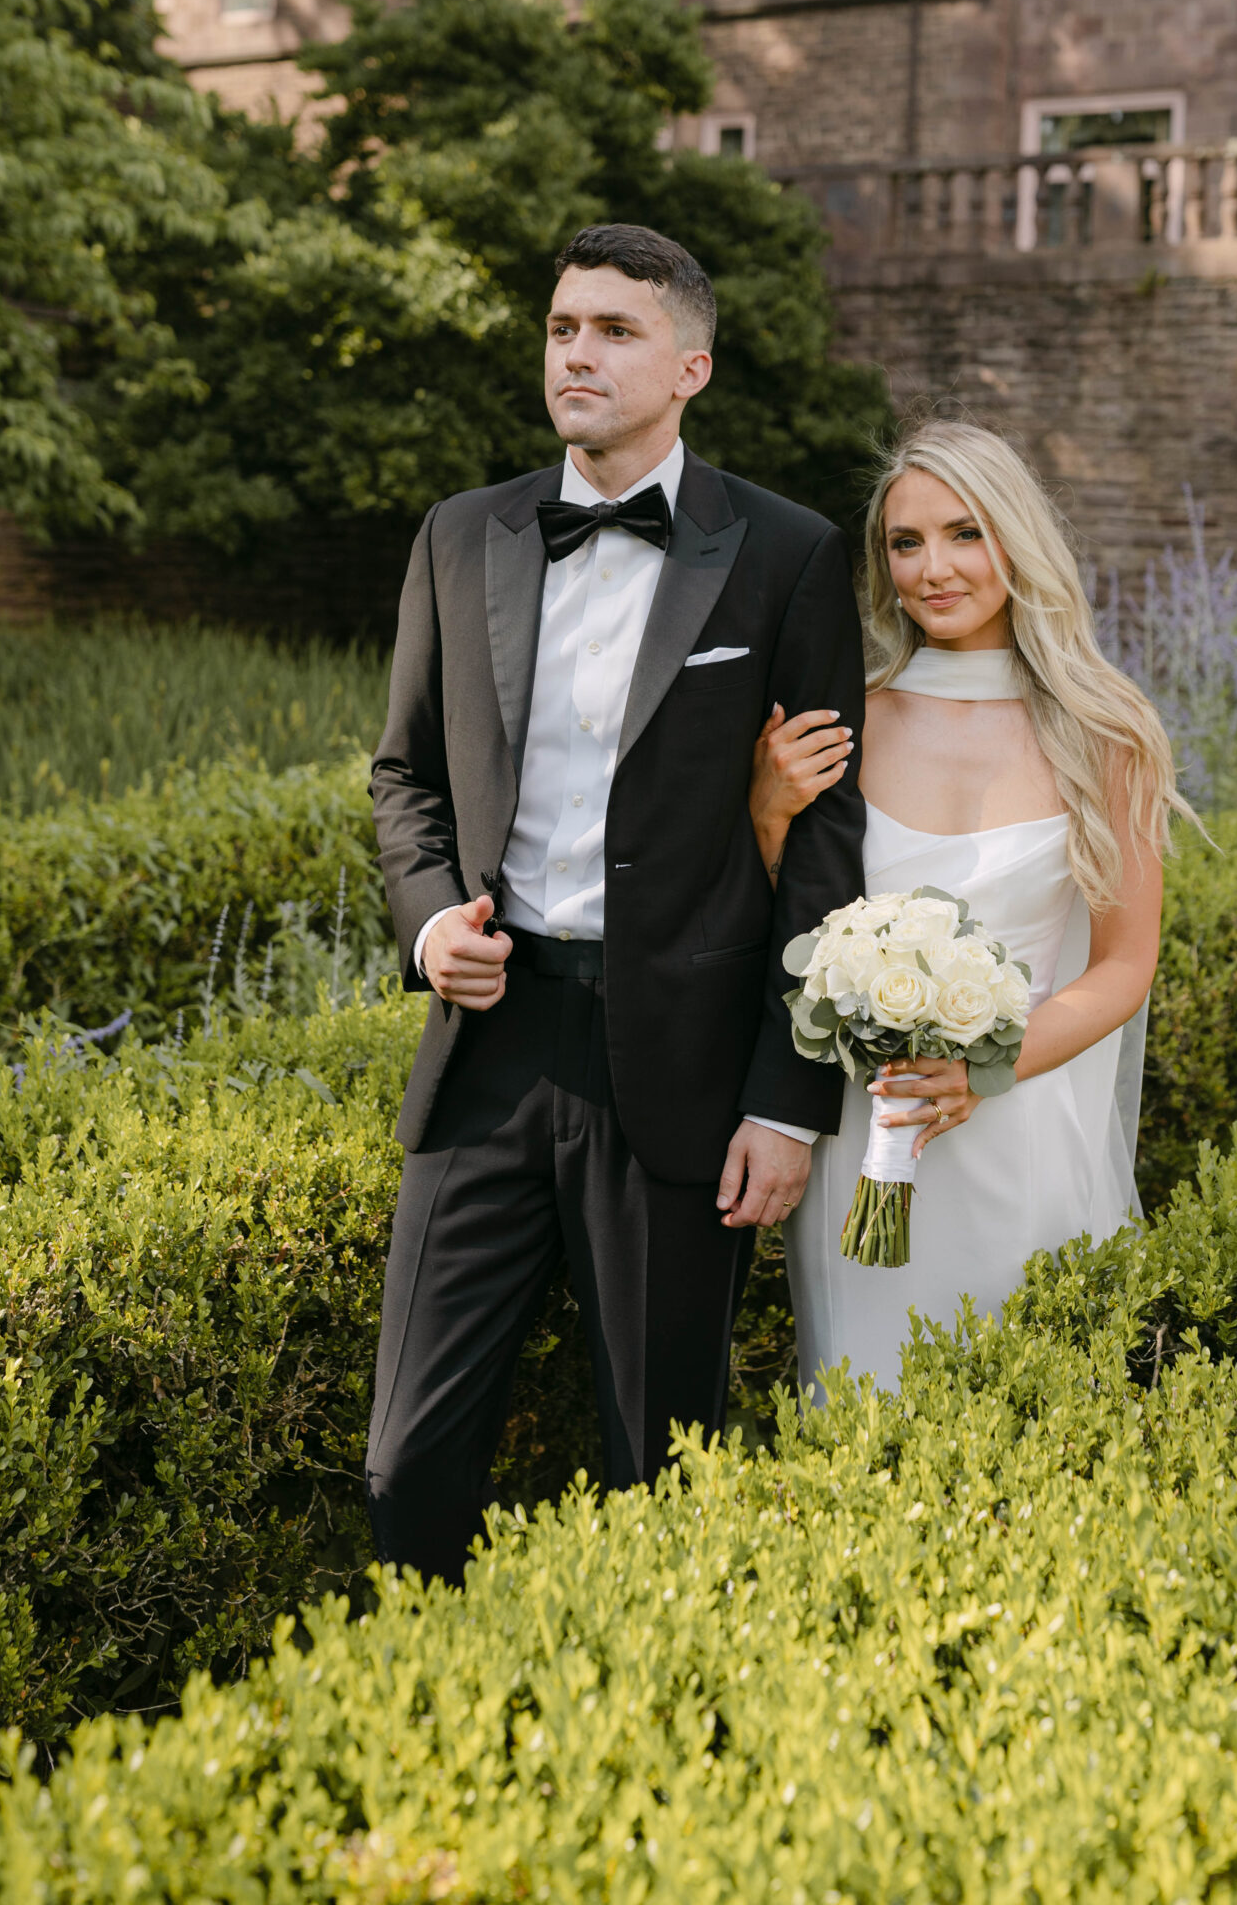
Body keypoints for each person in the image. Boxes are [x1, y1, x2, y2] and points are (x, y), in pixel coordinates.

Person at [367, 222, 866, 1582]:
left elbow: (823, 849)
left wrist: (784, 1095)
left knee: (659, 1462)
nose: (576, 353)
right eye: (560, 328)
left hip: (686, 1072)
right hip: (490, 1049)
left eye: (614, 331)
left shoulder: (785, 552)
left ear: (690, 365)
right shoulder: (458, 537)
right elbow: (404, 776)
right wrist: (430, 931)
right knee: (405, 1460)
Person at [750, 420, 1189, 1397]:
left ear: (1015, 543)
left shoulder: (1104, 732)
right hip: (865, 1139)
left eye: (964, 533)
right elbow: (793, 931)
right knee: (861, 1413)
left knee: (1027, 1434)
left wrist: (979, 1070)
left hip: (1021, 1129)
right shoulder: (843, 717)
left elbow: (1124, 964)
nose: (933, 568)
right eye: (905, 543)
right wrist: (768, 814)